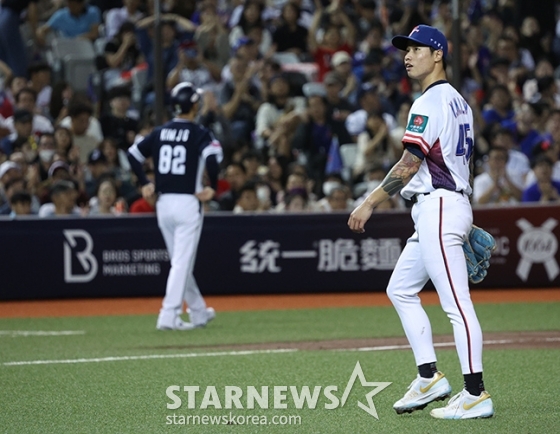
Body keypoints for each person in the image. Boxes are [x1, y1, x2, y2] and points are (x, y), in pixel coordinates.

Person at [348, 25, 494, 420]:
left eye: (418, 49)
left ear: (439, 55)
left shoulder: (429, 101)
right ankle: (429, 377)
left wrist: (369, 203)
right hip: (444, 206)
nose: (408, 55)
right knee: (400, 289)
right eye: (406, 49)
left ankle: (475, 393)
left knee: (457, 306)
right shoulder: (459, 101)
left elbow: (409, 164)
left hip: (440, 207)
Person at [127, 82, 223, 331]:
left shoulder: (160, 131)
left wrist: (145, 182)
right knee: (182, 262)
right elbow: (213, 159)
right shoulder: (199, 133)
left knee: (182, 261)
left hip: (163, 203)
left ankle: (199, 312)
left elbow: (133, 154)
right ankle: (168, 315)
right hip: (188, 202)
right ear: (193, 105)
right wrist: (212, 185)